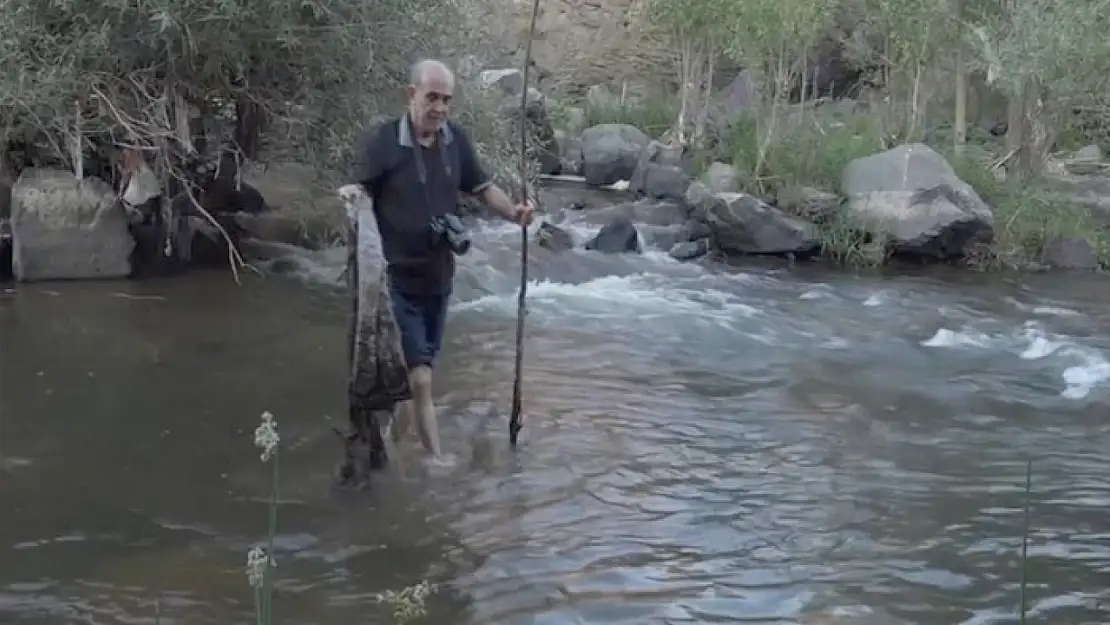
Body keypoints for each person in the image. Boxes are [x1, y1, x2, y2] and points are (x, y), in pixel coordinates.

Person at [352, 58, 534, 463]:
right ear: (410, 95)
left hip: (439, 278)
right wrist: (351, 199)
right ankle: (437, 464)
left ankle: (388, 456)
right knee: (420, 378)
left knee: (411, 383)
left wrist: (515, 214)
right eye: (431, 97)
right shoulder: (384, 143)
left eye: (446, 100)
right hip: (395, 280)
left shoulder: (456, 141)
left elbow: (485, 189)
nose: (439, 108)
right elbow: (359, 192)